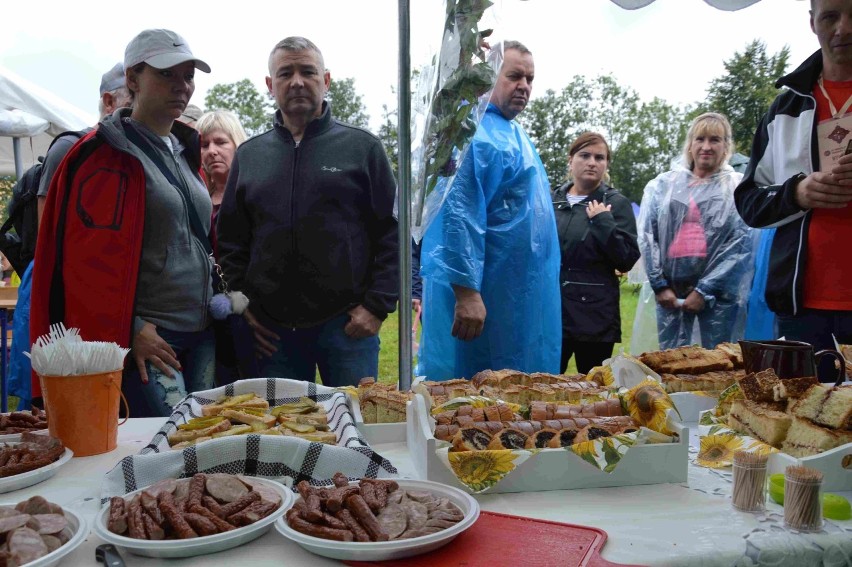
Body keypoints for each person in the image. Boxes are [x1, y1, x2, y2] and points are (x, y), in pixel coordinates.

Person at [31, 29, 215, 417]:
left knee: (203, 443)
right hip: (149, 338)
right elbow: (82, 268)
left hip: (202, 334)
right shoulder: (103, 156)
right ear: (133, 78)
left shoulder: (185, 150)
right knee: (167, 448)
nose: (181, 86)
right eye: (166, 74)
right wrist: (130, 328)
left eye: (188, 76)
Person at [216, 37, 398, 387]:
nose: (297, 81)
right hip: (272, 334)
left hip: (347, 328)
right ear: (270, 85)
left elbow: (391, 233)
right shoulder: (250, 156)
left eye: (307, 72)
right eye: (285, 73)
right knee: (280, 433)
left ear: (326, 80)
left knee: (353, 429)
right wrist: (243, 306)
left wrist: (376, 307)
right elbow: (231, 240)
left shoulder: (363, 149)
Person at [417, 41, 561, 381]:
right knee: (473, 394)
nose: (524, 86)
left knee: (518, 390)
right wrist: (466, 293)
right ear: (489, 79)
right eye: (513, 76)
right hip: (485, 298)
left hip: (519, 296)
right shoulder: (472, 134)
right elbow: (455, 216)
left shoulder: (515, 134)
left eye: (530, 78)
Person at [735, 0, 852, 381]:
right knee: (808, 428)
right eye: (831, 16)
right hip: (801, 306)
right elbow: (749, 202)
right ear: (812, 22)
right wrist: (797, 193)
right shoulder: (785, 108)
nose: (844, 29)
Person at [635, 112, 753, 351]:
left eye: (715, 140)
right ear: (690, 144)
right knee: (670, 364)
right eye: (700, 139)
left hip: (720, 297)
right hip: (669, 293)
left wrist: (705, 290)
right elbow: (649, 238)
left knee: (718, 364)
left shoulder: (737, 188)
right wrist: (659, 285)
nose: (706, 147)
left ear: (727, 146)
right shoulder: (663, 186)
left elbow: (740, 247)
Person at [552, 133, 639, 373]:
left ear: (606, 165)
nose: (592, 162)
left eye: (599, 157)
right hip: (552, 312)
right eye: (585, 155)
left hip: (594, 317)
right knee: (544, 384)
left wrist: (603, 221)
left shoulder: (615, 203)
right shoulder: (551, 201)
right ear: (570, 160)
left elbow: (626, 259)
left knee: (593, 391)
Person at [36, 62, 132, 228]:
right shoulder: (68, 149)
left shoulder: (133, 155)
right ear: (109, 102)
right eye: (133, 102)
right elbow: (47, 232)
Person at [196, 110, 247, 385]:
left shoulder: (251, 192)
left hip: (247, 317)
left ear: (237, 143)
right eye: (204, 145)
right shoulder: (196, 196)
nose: (212, 151)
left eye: (220, 142)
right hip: (203, 321)